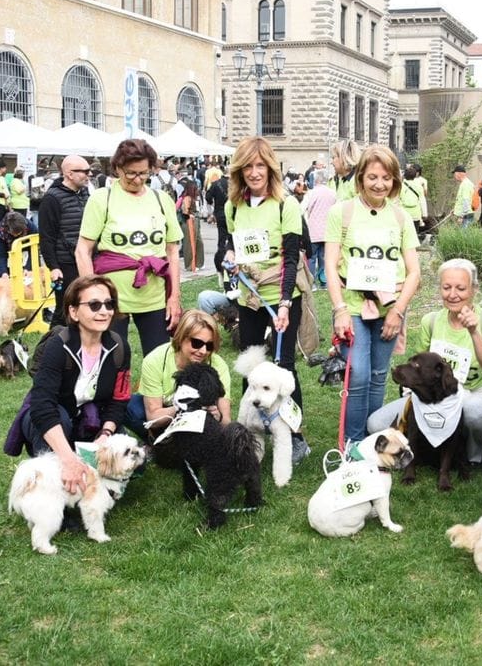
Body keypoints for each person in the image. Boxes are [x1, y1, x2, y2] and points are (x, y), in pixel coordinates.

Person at [367, 258, 482, 463]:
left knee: (475, 412)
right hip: (436, 398)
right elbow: (417, 370)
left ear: (474, 289)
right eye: (446, 287)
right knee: (375, 424)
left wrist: (473, 331)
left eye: (460, 288)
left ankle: (471, 456)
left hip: (473, 395)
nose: (452, 294)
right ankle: (428, 444)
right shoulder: (431, 320)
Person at [325, 144, 421, 444]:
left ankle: (372, 441)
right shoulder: (342, 213)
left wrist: (398, 311)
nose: (380, 184)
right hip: (352, 306)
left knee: (379, 375)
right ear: (361, 178)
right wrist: (339, 309)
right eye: (373, 177)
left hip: (389, 308)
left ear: (395, 180)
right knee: (359, 374)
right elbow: (330, 265)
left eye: (386, 178)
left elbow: (414, 272)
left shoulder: (401, 217)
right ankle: (353, 444)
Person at [223, 136, 309, 463]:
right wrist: (228, 256)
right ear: (239, 171)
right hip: (250, 300)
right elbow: (228, 246)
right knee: (251, 366)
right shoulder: (233, 206)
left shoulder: (287, 205)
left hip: (282, 297)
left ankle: (295, 435)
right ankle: (251, 432)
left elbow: (291, 258)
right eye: (248, 166)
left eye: (260, 166)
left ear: (271, 168)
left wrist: (285, 303)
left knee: (284, 368)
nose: (254, 172)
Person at [17, 275, 132, 492]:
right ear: (74, 312)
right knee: (60, 418)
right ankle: (51, 483)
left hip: (91, 418)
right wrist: (68, 460)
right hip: (52, 419)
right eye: (94, 305)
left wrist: (105, 434)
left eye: (109, 304)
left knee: (129, 461)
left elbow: (119, 400)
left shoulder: (119, 347)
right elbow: (42, 407)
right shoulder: (58, 347)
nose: (104, 311)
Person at [76, 139, 183, 357]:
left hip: (154, 297)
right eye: (131, 173)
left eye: (144, 173)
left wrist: (174, 297)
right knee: (111, 359)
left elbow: (172, 251)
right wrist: (93, 294)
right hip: (111, 298)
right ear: (117, 168)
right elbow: (83, 250)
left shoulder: (162, 200)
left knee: (159, 358)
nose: (137, 179)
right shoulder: (102, 199)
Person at [125, 310, 231, 440]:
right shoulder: (155, 360)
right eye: (197, 343)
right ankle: (155, 440)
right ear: (181, 338)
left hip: (202, 423)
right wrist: (187, 407)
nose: (203, 351)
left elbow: (226, 421)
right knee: (130, 406)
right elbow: (153, 417)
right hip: (168, 412)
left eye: (209, 345)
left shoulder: (218, 365)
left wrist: (218, 417)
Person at [40, 155, 92, 326]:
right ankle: (52, 342)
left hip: (86, 258)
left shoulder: (85, 193)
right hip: (65, 262)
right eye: (84, 171)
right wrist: (54, 267)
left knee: (84, 306)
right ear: (69, 174)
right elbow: (46, 237)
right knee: (65, 310)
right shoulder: (52, 198)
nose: (89, 174)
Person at [302, 169, 337, 289]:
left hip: (313, 231)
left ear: (316, 179)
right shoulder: (333, 193)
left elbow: (302, 208)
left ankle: (311, 283)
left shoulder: (311, 193)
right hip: (328, 231)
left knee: (311, 258)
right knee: (324, 258)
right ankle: (324, 281)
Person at [0, 210, 37, 277]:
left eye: (19, 233)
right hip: (10, 252)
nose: (16, 236)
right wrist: (3, 272)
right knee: (3, 276)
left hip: (26, 250)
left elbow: (35, 250)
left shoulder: (31, 227)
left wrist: (28, 268)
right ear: (8, 230)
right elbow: (1, 254)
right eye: (14, 234)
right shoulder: (2, 231)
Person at [178, 179, 205, 272]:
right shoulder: (187, 198)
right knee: (189, 243)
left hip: (195, 221)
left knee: (199, 242)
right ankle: (190, 265)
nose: (197, 190)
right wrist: (190, 215)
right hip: (189, 222)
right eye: (195, 188)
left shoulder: (194, 198)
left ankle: (199, 263)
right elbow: (185, 211)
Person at [204, 164, 229, 255]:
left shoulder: (216, 184)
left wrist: (212, 203)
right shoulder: (236, 184)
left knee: (221, 234)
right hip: (235, 213)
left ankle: (221, 253)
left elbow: (208, 196)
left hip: (220, 211)